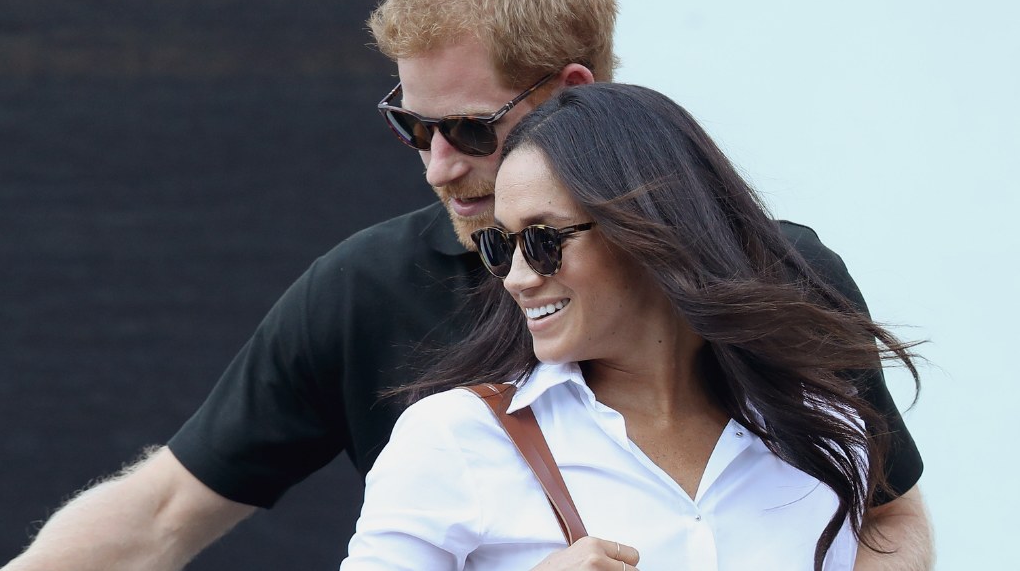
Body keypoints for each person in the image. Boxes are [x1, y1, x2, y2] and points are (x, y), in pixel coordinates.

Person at [0, 0, 931, 570]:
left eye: (468, 129)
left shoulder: (774, 276)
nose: (440, 167)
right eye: (412, 128)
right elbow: (162, 512)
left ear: (574, 93)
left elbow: (885, 511)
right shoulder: (372, 295)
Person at [342, 83, 921, 571]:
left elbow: (896, 522)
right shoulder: (454, 438)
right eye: (502, 245)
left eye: (543, 241)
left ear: (649, 230)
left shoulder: (821, 425)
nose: (516, 277)